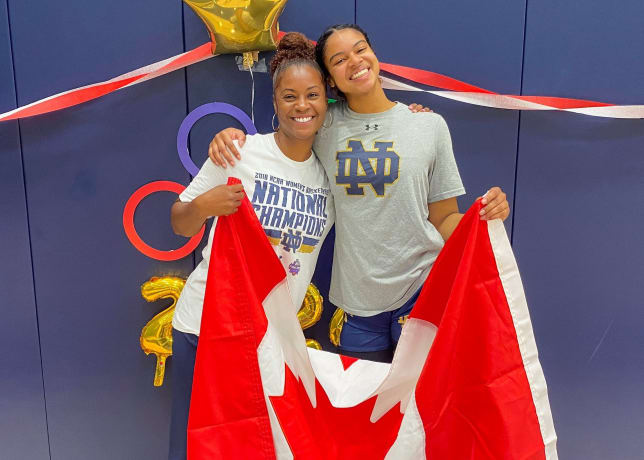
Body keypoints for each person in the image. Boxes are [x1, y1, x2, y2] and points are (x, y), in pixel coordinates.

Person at [207, 24, 510, 363]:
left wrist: (484, 220)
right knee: (367, 413)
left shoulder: (429, 126)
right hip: (357, 305)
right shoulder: (321, 124)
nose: (354, 61)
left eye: (360, 48)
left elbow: (444, 217)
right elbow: (280, 145)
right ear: (330, 81)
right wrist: (231, 136)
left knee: (419, 409)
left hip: (423, 291)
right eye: (339, 59)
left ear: (374, 54)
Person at [167, 32, 334, 460]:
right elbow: (179, 220)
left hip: (268, 341)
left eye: (312, 95)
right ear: (274, 102)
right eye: (289, 96)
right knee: (196, 446)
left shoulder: (329, 180)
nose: (301, 106)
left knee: (256, 448)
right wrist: (204, 205)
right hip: (206, 327)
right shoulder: (240, 152)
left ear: (326, 100)